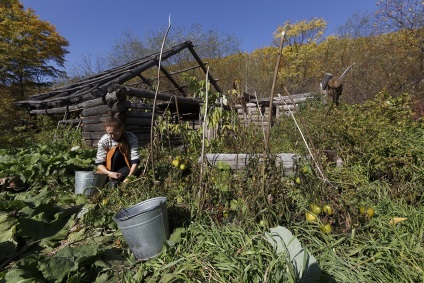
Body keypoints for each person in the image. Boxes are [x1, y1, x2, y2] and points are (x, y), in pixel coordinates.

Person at [95, 116, 140, 185]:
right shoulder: (104, 141)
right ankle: (111, 179)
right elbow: (99, 163)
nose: (113, 136)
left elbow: (135, 160)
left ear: (121, 129)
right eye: (110, 133)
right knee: (116, 151)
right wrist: (109, 173)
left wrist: (129, 177)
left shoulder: (130, 138)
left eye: (116, 132)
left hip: (125, 164)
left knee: (126, 174)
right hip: (109, 167)